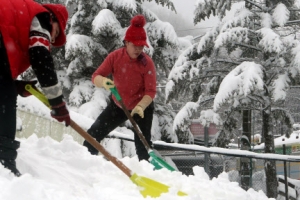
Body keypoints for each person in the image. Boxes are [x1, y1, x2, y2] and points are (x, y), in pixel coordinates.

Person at [0, 0, 71, 176]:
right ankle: (4, 160)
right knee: (6, 101)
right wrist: (57, 103)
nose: (51, 39)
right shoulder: (42, 17)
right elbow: (41, 58)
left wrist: (15, 85)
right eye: (55, 33)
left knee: (6, 92)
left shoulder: (21, 18)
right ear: (53, 20)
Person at [83, 15, 157, 161]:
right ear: (126, 42)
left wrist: (141, 106)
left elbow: (151, 91)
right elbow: (96, 76)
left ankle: (147, 173)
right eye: (135, 45)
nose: (138, 49)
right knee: (93, 135)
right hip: (119, 104)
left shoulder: (146, 63)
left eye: (141, 46)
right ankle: (86, 164)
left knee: (143, 147)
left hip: (142, 108)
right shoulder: (115, 57)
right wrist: (103, 81)